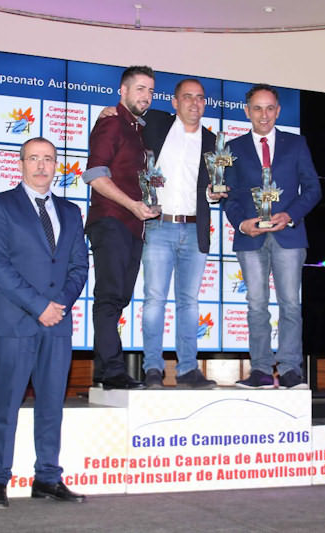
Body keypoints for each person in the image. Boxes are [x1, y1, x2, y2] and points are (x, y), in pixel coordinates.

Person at [0, 137, 88, 507]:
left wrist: (59, 305)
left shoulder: (71, 211)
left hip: (57, 324)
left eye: (48, 159)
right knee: (6, 404)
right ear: (21, 164)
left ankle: (47, 477)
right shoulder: (0, 205)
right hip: (14, 323)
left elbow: (79, 266)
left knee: (52, 406)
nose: (42, 166)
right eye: (34, 159)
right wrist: (39, 306)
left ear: (56, 165)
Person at [223, 83, 321, 389]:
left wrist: (289, 215)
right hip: (250, 238)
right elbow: (228, 195)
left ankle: (290, 369)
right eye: (257, 108)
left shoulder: (297, 144)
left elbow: (313, 189)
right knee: (256, 305)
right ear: (247, 111)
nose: (263, 115)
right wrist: (242, 224)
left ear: (278, 111)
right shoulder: (232, 148)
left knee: (290, 304)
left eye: (269, 108)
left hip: (289, 236)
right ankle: (261, 370)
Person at [139, 78, 224, 389]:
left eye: (200, 98)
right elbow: (127, 115)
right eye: (187, 97)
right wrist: (110, 111)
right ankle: (153, 368)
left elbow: (216, 185)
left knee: (189, 303)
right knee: (154, 300)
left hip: (194, 228)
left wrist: (215, 194)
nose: (194, 103)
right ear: (175, 103)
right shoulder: (155, 123)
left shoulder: (214, 142)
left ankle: (188, 369)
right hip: (158, 226)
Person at [82, 65, 158, 390]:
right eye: (140, 88)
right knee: (110, 298)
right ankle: (113, 371)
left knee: (118, 298)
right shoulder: (112, 123)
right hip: (111, 220)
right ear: (122, 91)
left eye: (150, 90)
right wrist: (131, 205)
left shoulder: (138, 129)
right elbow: (95, 175)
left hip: (132, 225)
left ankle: (103, 371)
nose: (146, 96)